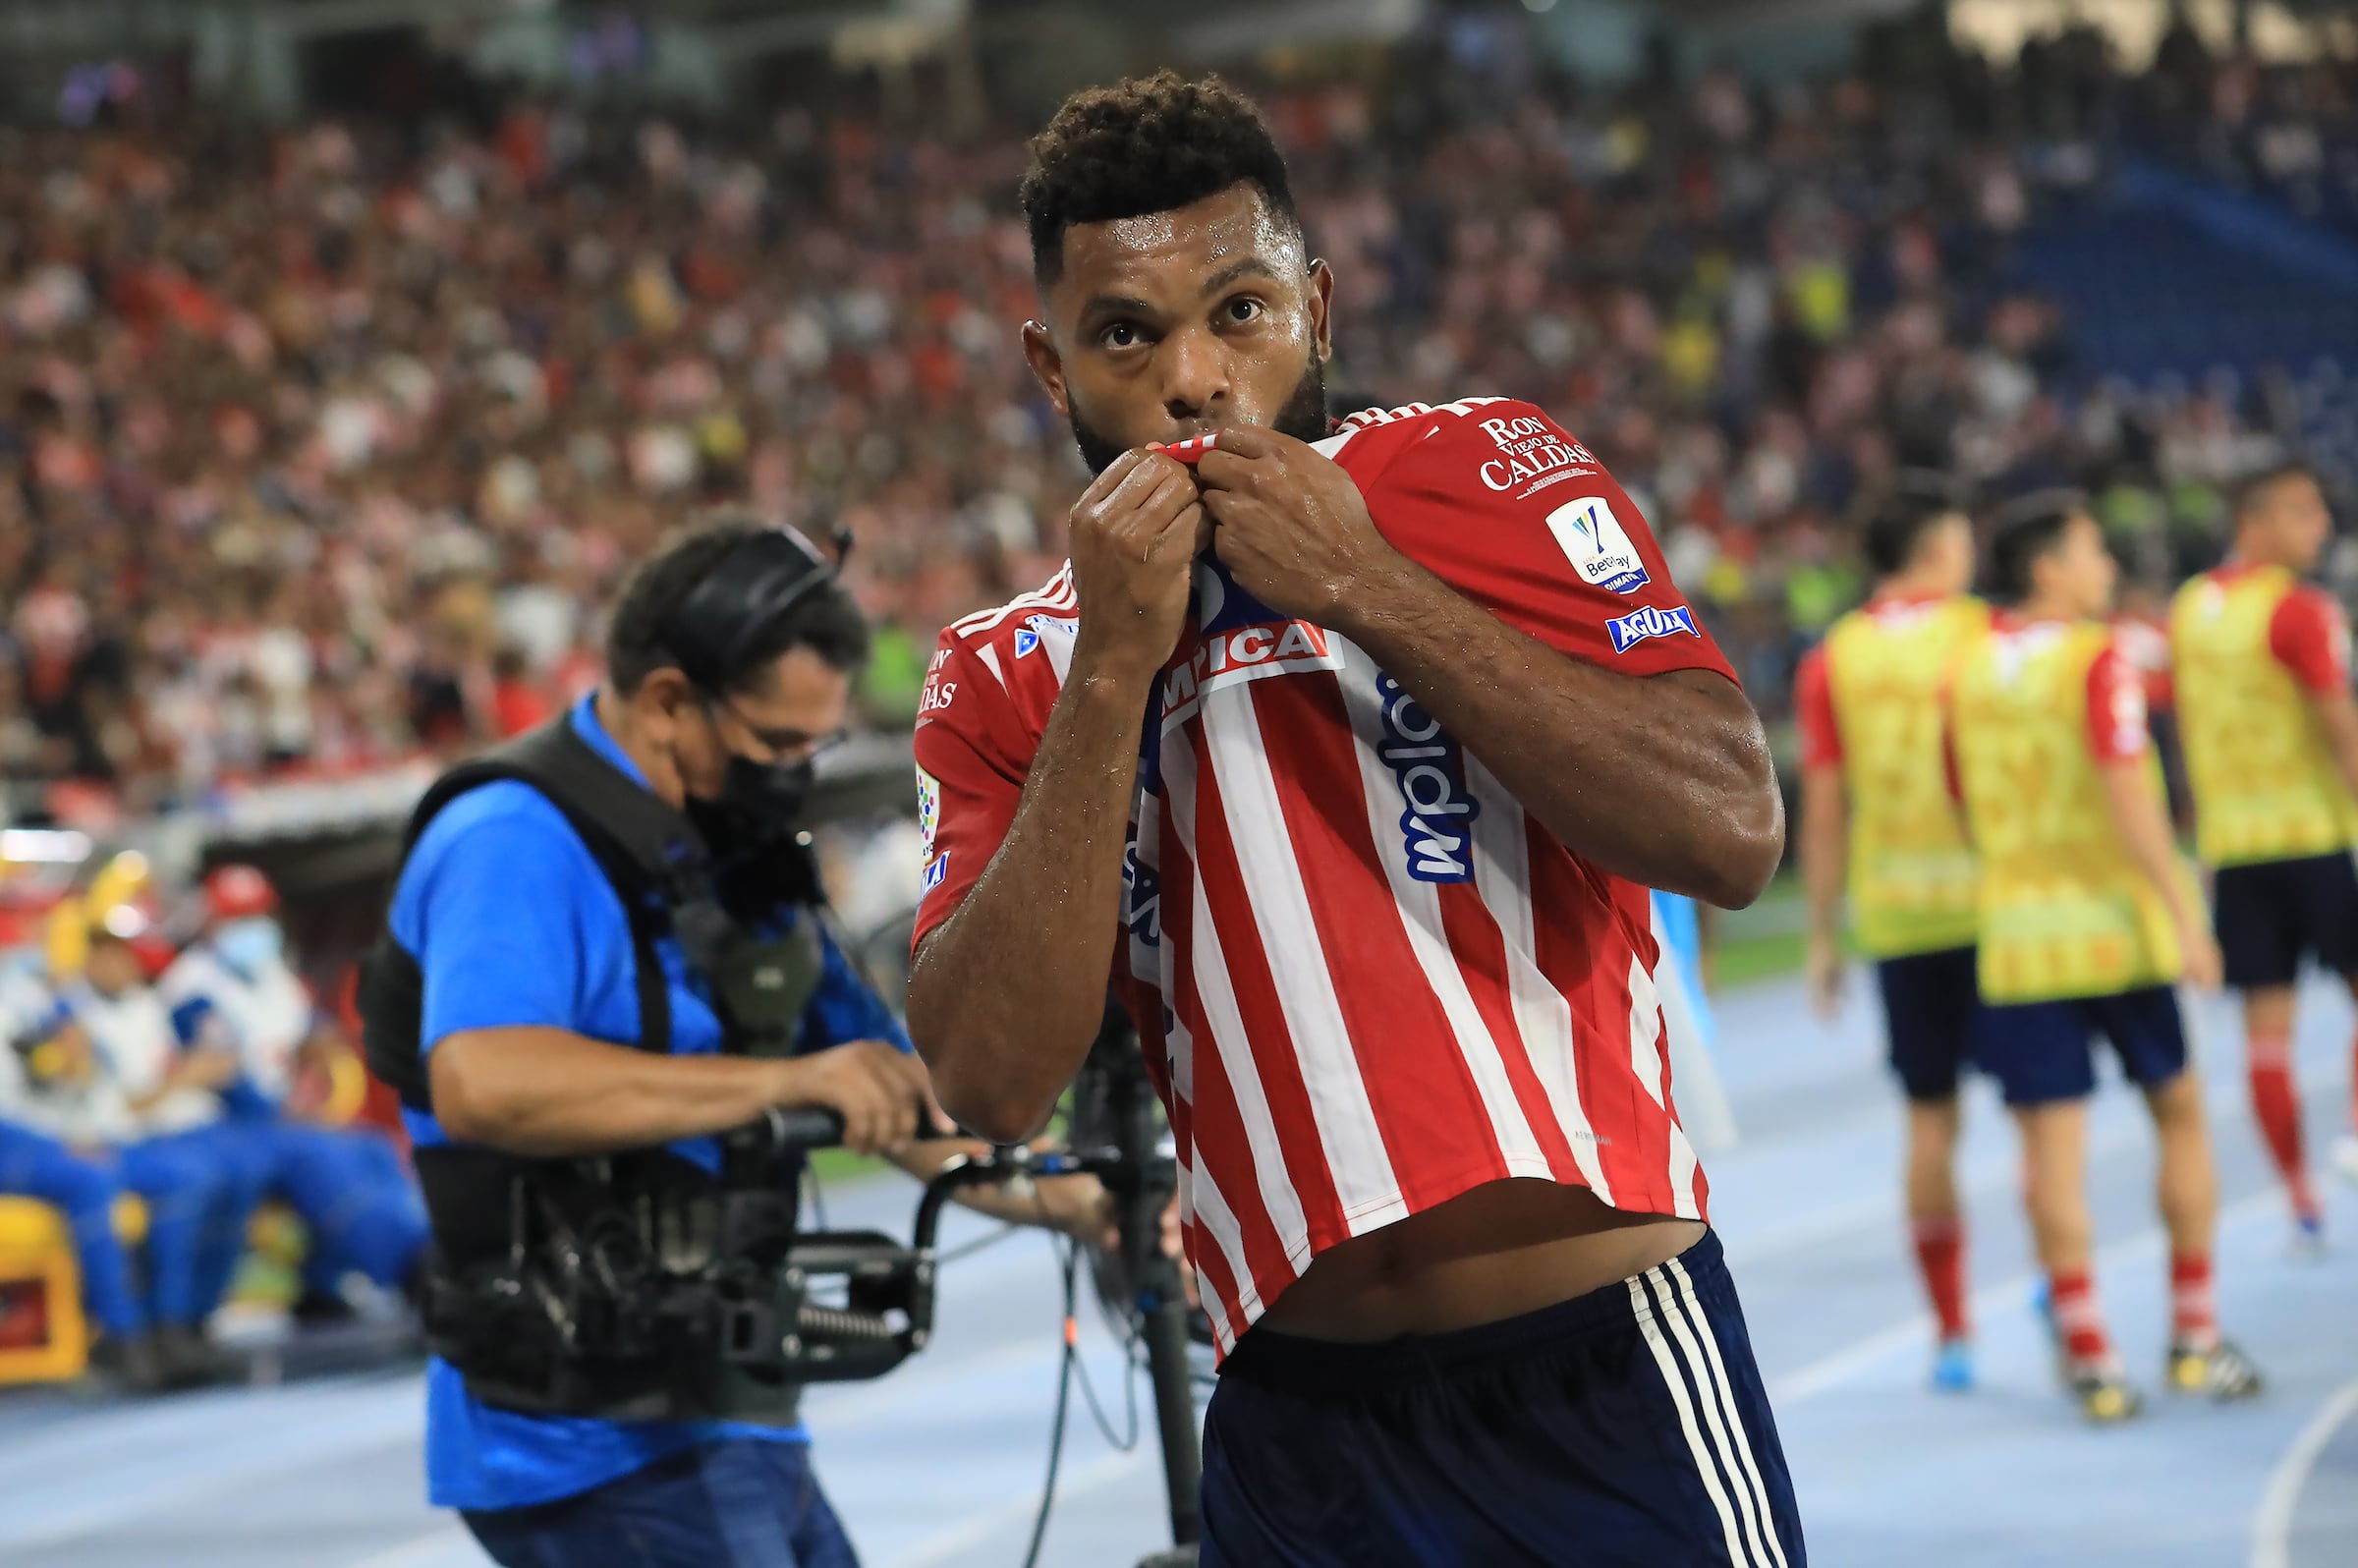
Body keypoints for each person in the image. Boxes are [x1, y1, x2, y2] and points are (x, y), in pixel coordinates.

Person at [907, 74, 1799, 1566]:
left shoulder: (1484, 468)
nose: (1193, 379)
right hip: (1293, 1428)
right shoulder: (1004, 668)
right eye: (1126, 334)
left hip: (1600, 1367)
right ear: (1052, 370)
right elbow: (990, 1083)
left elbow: (1728, 832)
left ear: (1316, 309)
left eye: (1239, 313)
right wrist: (1116, 665)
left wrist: (1368, 587)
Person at [369, 516, 1111, 1568]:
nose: (794, 776)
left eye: (816, 746)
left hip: (726, 1409)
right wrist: (783, 1081)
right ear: (670, 699)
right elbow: (483, 1080)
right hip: (581, 1436)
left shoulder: (737, 851)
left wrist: (1084, 1201)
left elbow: (890, 1091)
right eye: (775, 745)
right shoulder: (512, 838)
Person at [1946, 492, 2262, 1422]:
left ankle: (2092, 1360)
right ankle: (2196, 1339)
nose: (2107, 569)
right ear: (2049, 569)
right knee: (2181, 1113)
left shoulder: (1964, 671)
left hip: (2015, 936)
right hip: (2115, 931)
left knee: (2053, 1154)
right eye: (2091, 553)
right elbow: (2134, 799)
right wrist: (2189, 918)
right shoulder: (2099, 660)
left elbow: (1962, 801)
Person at [1792, 480, 1990, 1391]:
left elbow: (1824, 808)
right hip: (2001, 907)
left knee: (1929, 1122)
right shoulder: (1986, 636)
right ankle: (2069, 1304)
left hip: (1901, 916)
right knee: (2043, 1120)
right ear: (1938, 545)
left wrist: (1825, 935)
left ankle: (1951, 1330)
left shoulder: (1834, 658)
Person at [2167, 463, 2358, 1241]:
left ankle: (2298, 1200)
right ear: (2255, 519)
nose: (2320, 526)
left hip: (2234, 850)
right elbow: (2337, 722)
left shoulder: (2189, 609)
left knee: (2266, 1035)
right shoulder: (2298, 609)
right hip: (2311, 836)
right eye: (2302, 511)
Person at [159, 865, 428, 1314]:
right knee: (318, 1156)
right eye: (237, 919)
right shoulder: (192, 987)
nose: (251, 928)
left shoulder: (270, 973)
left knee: (371, 1146)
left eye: (256, 916)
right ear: (212, 923)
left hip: (280, 1119)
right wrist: (283, 1110)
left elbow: (311, 1026)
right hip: (223, 1126)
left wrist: (319, 1040)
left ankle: (324, 1285)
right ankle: (409, 1269)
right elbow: (228, 1082)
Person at [7, 924, 256, 1387]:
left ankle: (177, 1324)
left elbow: (67, 1080)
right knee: (92, 1179)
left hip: (82, 1131)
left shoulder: (42, 999)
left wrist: (68, 1065)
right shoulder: (59, 1000)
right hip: (41, 1139)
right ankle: (123, 1336)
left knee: (216, 1171)